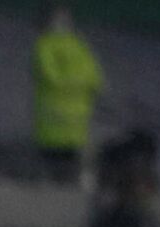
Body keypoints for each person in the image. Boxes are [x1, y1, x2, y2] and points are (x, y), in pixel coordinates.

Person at [32, 5, 102, 181]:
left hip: (76, 119)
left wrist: (91, 85)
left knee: (73, 152)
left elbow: (93, 72)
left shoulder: (78, 44)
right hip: (53, 119)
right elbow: (50, 75)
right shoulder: (45, 46)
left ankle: (71, 178)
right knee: (53, 155)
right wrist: (80, 84)